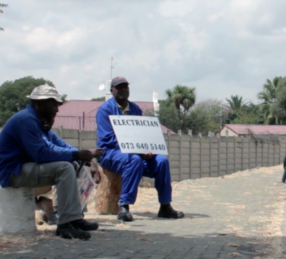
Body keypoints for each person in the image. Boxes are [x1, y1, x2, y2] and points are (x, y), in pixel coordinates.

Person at [0, 85, 98, 240]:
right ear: (41, 104)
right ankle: (65, 225)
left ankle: (74, 218)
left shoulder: (36, 120)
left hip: (23, 168)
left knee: (70, 164)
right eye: (54, 105)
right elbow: (40, 154)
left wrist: (79, 155)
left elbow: (57, 146)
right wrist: (75, 154)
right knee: (65, 168)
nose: (57, 110)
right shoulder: (27, 120)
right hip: (13, 172)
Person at [96, 76, 184, 222]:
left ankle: (165, 206)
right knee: (134, 160)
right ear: (112, 90)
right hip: (110, 153)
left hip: (135, 153)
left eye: (125, 87)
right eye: (119, 87)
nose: (123, 89)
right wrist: (137, 151)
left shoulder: (135, 109)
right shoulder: (105, 110)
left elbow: (143, 134)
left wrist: (147, 147)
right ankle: (124, 206)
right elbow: (108, 139)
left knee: (162, 161)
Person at [35, 117, 103, 224]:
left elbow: (66, 146)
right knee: (63, 168)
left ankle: (77, 211)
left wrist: (89, 160)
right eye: (43, 117)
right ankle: (57, 212)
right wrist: (81, 154)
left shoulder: (49, 134)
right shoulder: (34, 132)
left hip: (39, 176)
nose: (47, 120)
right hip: (27, 178)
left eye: (50, 117)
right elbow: (52, 149)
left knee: (77, 165)